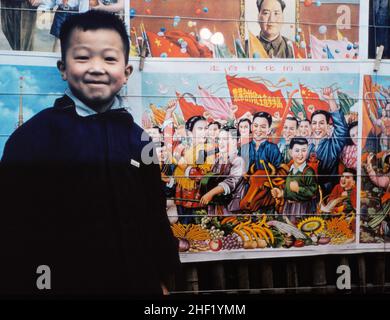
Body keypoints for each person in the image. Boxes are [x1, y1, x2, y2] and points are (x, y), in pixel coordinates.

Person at [0, 10, 180, 296]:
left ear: (126, 71)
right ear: (63, 67)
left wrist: (161, 278)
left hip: (134, 282)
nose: (96, 68)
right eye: (82, 57)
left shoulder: (139, 140)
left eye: (109, 59)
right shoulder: (31, 139)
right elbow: (13, 228)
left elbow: (154, 214)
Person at [308, 87, 348, 196]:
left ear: (327, 126)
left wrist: (331, 100)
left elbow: (341, 130)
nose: (317, 127)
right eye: (314, 123)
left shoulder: (333, 145)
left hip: (327, 193)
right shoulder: (307, 146)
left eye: (321, 123)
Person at [199, 126, 246, 215]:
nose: (221, 142)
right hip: (217, 205)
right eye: (219, 139)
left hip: (230, 208)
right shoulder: (218, 159)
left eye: (225, 139)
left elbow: (230, 182)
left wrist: (210, 194)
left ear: (235, 141)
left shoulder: (238, 160)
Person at [271, 137, 318, 224]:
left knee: (301, 231)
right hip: (289, 207)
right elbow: (289, 190)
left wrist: (298, 189)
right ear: (290, 152)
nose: (300, 154)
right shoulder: (291, 171)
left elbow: (313, 191)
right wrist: (281, 193)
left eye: (303, 150)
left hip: (302, 210)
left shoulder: (308, 171)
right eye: (297, 151)